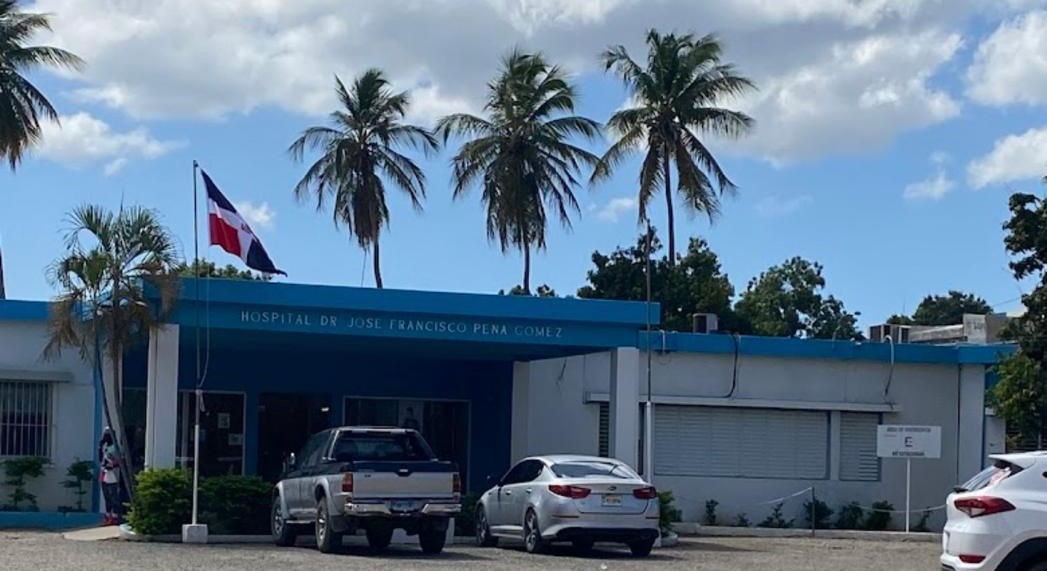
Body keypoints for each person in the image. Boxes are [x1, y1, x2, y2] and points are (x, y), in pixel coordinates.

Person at [98, 429, 121, 526]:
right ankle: (108, 516)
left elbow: (118, 462)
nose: (105, 437)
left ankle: (115, 517)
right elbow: (100, 459)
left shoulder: (116, 448)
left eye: (107, 435)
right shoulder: (106, 448)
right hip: (104, 473)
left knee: (113, 497)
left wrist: (112, 465)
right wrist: (100, 447)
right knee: (107, 497)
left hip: (112, 475)